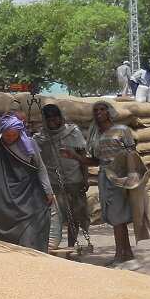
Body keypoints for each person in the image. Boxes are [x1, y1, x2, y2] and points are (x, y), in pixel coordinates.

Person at [61, 101, 150, 264]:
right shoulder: (95, 134)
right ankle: (125, 253)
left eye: (102, 109)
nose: (99, 112)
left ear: (109, 112)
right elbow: (95, 160)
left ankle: (120, 255)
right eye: (96, 110)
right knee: (114, 216)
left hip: (120, 177)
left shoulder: (122, 130)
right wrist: (74, 156)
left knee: (117, 217)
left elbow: (132, 153)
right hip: (104, 176)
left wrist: (131, 176)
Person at [0, 114, 54, 252]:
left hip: (28, 200)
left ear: (20, 132)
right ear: (1, 132)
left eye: (13, 135)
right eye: (7, 135)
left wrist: (48, 191)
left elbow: (41, 168)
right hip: (0, 203)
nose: (10, 138)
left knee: (30, 242)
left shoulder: (30, 145)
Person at [35, 104, 90, 248]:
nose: (53, 121)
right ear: (44, 120)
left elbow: (83, 155)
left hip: (74, 180)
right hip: (52, 183)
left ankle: (72, 246)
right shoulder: (40, 137)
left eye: (56, 117)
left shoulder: (73, 132)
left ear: (61, 117)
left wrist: (85, 177)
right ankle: (52, 246)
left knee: (75, 215)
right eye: (49, 118)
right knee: (53, 217)